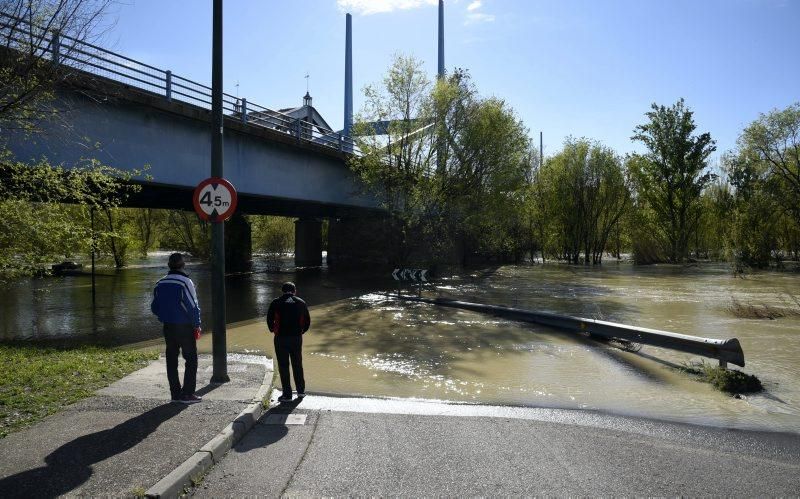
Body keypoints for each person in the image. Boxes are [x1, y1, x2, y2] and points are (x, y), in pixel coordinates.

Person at [150, 252, 203, 404]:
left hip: (168, 326)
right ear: (183, 265)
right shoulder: (185, 282)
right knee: (191, 359)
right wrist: (197, 325)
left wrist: (164, 316)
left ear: (169, 265)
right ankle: (187, 394)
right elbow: (192, 306)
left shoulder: (160, 283)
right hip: (184, 327)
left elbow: (154, 307)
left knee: (171, 360)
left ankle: (175, 394)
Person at [267, 282, 310, 402]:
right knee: (297, 363)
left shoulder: (275, 302)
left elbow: (270, 319)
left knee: (283, 365)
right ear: (294, 291)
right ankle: (301, 391)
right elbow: (307, 321)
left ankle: (287, 394)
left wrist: (272, 330)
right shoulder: (301, 302)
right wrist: (301, 332)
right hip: (296, 338)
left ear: (282, 291)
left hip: (280, 338)